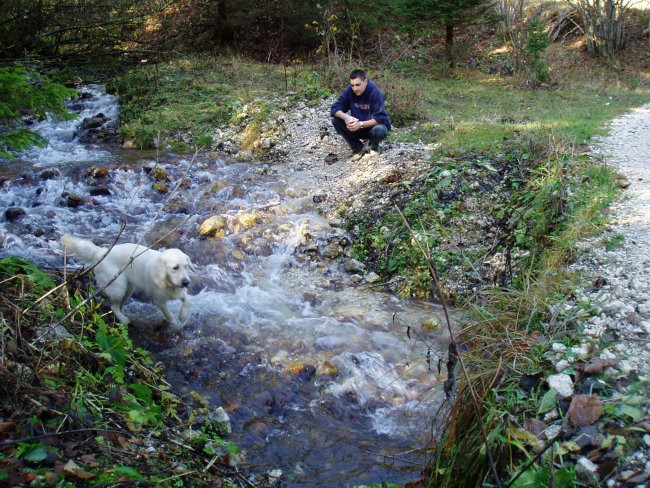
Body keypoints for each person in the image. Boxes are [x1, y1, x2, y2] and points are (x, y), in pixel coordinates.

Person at [330, 69, 391, 161]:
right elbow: (334, 108)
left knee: (380, 129)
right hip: (356, 127)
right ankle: (358, 149)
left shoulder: (375, 92)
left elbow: (381, 118)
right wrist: (346, 117)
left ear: (365, 81)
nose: (355, 88)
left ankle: (374, 147)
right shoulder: (350, 91)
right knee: (336, 121)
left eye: (358, 85)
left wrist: (361, 124)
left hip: (372, 128)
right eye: (352, 85)